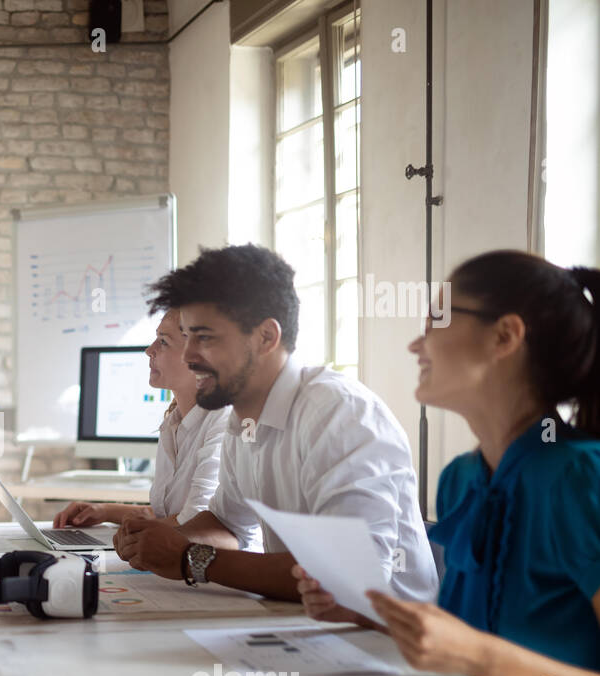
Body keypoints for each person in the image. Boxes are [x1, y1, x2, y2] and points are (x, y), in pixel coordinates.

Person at [286, 251, 600, 676]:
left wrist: (480, 656)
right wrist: (370, 614)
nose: (414, 341)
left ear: (506, 335)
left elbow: (483, 653)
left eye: (435, 317)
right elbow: (471, 637)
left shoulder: (580, 481)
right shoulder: (462, 480)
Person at [112, 244, 438, 604]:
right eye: (187, 337)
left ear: (266, 337)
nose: (189, 357)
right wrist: (159, 544)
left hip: (385, 645)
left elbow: (350, 576)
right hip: (306, 628)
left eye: (204, 338)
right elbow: (227, 524)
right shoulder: (243, 421)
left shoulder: (337, 414)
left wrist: (191, 559)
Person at [54, 307, 228, 531]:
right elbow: (169, 515)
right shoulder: (172, 424)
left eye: (163, 341)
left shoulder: (223, 424)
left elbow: (195, 520)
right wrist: (104, 511)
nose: (149, 350)